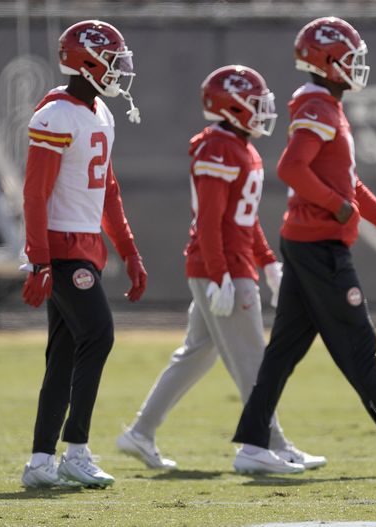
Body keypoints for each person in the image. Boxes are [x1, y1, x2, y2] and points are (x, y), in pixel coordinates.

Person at [232, 16, 376, 474]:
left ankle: (253, 444)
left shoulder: (327, 106)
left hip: (308, 242)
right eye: (350, 58)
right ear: (327, 61)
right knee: (359, 342)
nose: (357, 66)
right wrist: (336, 207)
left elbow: (348, 183)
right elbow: (292, 169)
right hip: (319, 246)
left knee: (285, 350)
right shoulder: (316, 105)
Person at [116, 65, 325, 473]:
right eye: (254, 103)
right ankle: (267, 445)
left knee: (196, 355)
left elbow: (241, 220)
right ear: (230, 107)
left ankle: (140, 432)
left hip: (231, 265)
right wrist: (220, 275)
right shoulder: (218, 147)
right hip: (223, 268)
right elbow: (209, 223)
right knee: (252, 361)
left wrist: (267, 264)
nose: (263, 111)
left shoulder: (241, 147)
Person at [20, 20, 148, 488]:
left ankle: (39, 463)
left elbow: (108, 191)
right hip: (61, 246)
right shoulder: (56, 114)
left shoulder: (100, 113)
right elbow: (35, 195)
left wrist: (129, 252)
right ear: (87, 62)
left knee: (65, 354)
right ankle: (75, 449)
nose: (118, 71)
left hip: (87, 246)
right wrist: (38, 260)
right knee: (99, 333)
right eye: (112, 61)